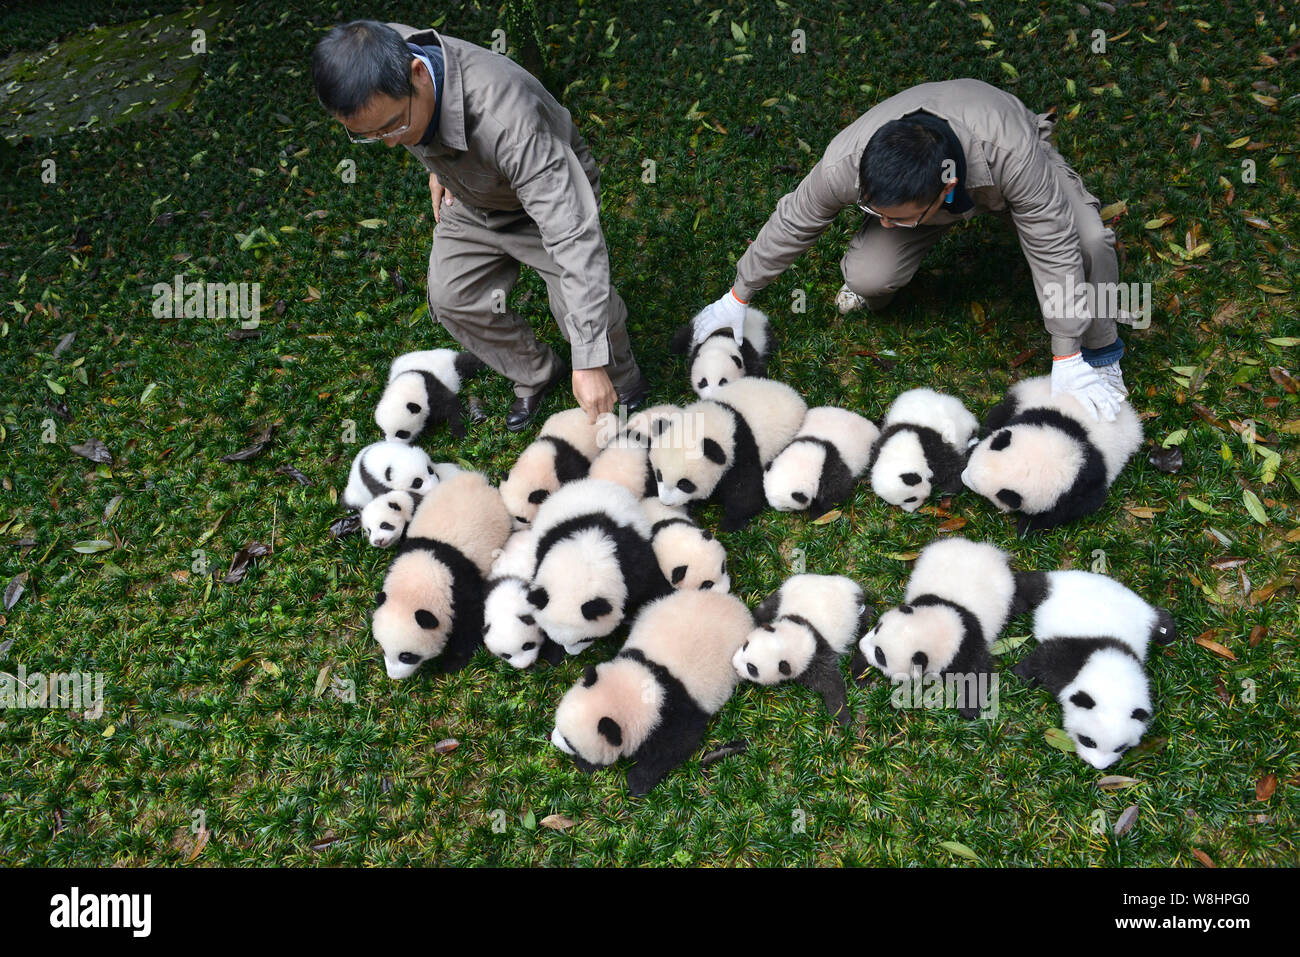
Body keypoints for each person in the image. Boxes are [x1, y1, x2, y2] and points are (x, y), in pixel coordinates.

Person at [692, 78, 1129, 421]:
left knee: (1090, 241)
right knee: (869, 275)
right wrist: (739, 293)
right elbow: (794, 220)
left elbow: (1052, 244)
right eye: (874, 211)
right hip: (924, 189)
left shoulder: (1012, 154)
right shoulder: (847, 163)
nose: (883, 224)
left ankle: (1103, 352)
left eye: (895, 219)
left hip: (1002, 166)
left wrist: (1067, 351)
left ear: (947, 191)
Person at [311, 20, 648, 432]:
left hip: (546, 199)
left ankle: (621, 382)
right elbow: (408, 121)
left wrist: (590, 360)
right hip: (472, 194)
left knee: (580, 307)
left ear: (418, 73)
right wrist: (438, 162)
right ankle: (538, 371)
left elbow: (573, 235)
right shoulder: (383, 50)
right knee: (452, 295)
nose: (389, 143)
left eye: (393, 126)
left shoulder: (509, 122)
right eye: (369, 135)